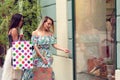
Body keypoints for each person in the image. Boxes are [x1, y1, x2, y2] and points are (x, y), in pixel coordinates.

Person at [2, 13, 24, 80]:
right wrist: (21, 38)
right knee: (14, 74)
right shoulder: (14, 30)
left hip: (11, 51)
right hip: (14, 52)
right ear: (17, 20)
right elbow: (16, 44)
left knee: (12, 72)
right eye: (21, 20)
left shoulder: (11, 29)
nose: (22, 22)